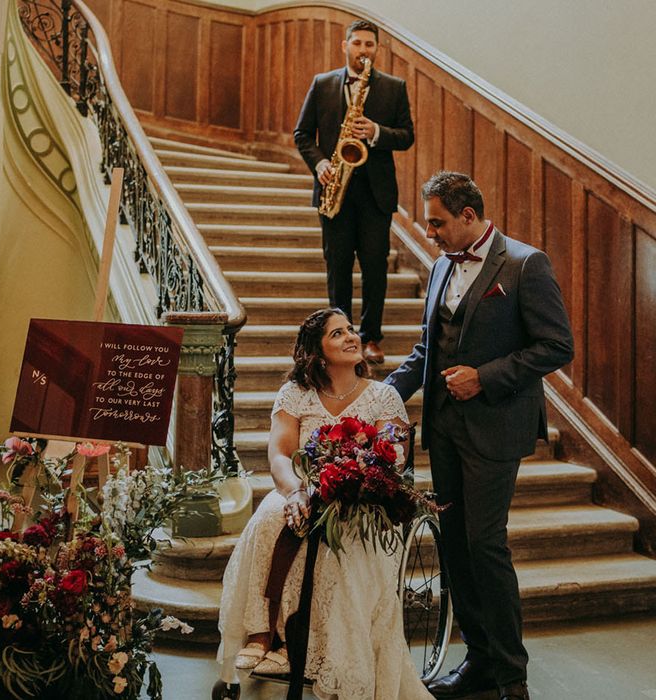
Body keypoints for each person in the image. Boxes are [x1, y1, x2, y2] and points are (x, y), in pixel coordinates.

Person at [384, 172, 574, 700]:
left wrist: (483, 377)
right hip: (443, 430)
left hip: (494, 428)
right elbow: (429, 347)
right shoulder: (443, 264)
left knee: (485, 545)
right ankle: (481, 662)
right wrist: (380, 395)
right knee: (455, 551)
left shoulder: (524, 263)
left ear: (469, 216)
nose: (430, 234)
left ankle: (513, 676)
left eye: (438, 222)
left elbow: (557, 346)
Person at [215, 308, 433, 700]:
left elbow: (394, 454)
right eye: (338, 334)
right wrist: (296, 491)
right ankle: (262, 632)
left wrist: (359, 475)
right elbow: (281, 454)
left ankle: (294, 644)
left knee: (335, 549)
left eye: (351, 330)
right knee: (268, 520)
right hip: (302, 486)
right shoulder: (295, 395)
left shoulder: (383, 397)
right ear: (318, 352)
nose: (351, 337)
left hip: (361, 501)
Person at [293, 19, 414, 365]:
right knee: (338, 266)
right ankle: (339, 337)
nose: (363, 50)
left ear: (377, 49)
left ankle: (371, 337)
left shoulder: (394, 86)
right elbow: (302, 134)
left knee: (375, 266)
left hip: (375, 193)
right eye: (357, 43)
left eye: (369, 45)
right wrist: (318, 165)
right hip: (334, 189)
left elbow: (406, 135)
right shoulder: (322, 83)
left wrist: (376, 131)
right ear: (344, 45)